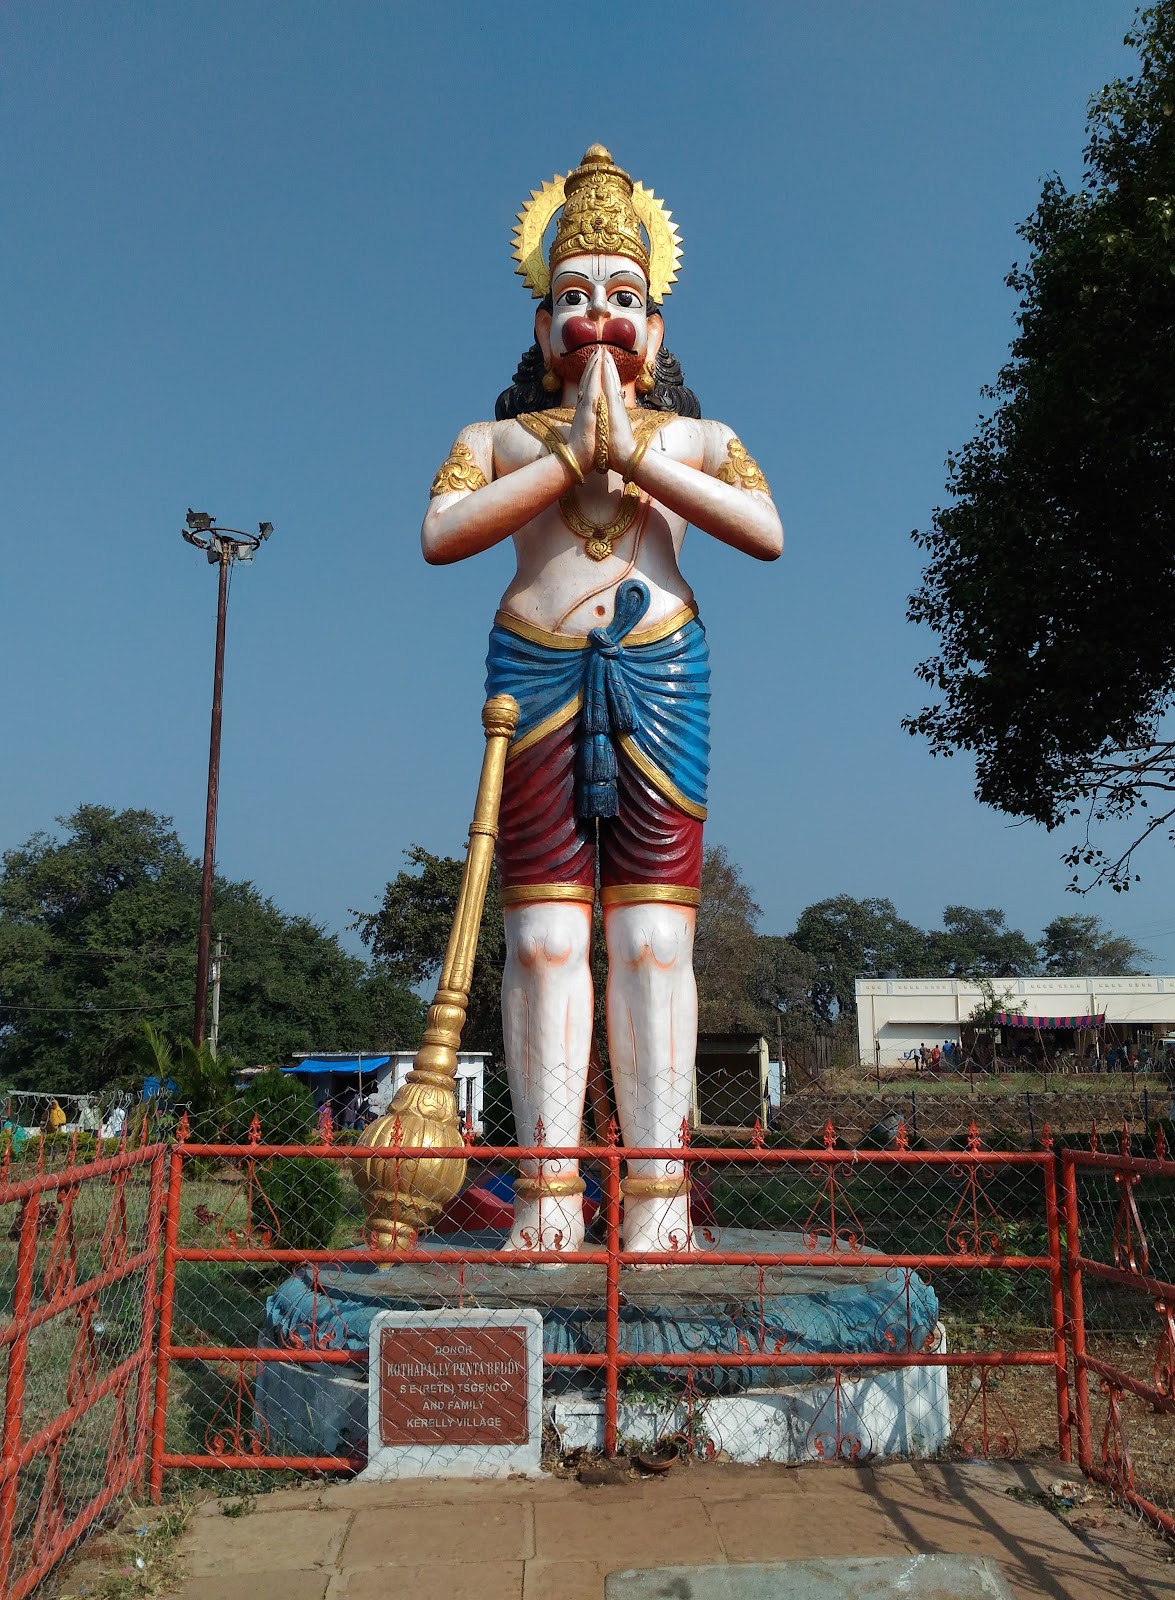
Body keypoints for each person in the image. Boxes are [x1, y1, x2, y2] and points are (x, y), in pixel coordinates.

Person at [422, 146, 783, 1253]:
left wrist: (637, 457)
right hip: (530, 677)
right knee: (537, 941)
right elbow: (440, 536)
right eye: (573, 300)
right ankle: (544, 1192)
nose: (599, 320)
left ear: (658, 331)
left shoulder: (702, 442)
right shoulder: (493, 442)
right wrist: (571, 453)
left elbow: (767, 534)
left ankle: (660, 1194)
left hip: (663, 673)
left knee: (652, 948)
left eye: (623, 299)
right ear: (539, 331)